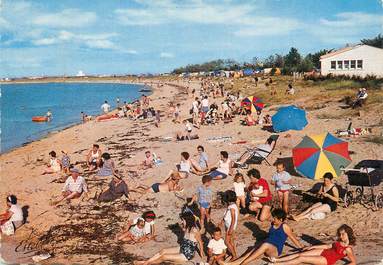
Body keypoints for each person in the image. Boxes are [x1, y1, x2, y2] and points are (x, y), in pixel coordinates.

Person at [226, 209, 303, 265]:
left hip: (275, 250)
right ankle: (232, 263)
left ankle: (244, 263)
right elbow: (271, 236)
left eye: (275, 218)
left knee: (264, 245)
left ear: (281, 219)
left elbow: (293, 238)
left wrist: (301, 248)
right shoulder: (273, 224)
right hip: (267, 246)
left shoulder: (285, 226)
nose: (273, 219)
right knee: (252, 249)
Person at [134, 212, 204, 265]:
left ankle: (145, 263)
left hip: (187, 255)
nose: (182, 221)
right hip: (182, 248)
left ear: (188, 220)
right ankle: (146, 262)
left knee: (164, 257)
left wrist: (201, 254)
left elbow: (200, 243)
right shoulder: (186, 228)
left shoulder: (195, 231)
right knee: (163, 251)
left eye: (183, 220)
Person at [270, 224, 356, 265]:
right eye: (340, 234)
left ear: (348, 234)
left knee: (301, 258)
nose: (341, 236)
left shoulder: (348, 249)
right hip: (324, 251)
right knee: (300, 253)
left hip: (327, 260)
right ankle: (277, 260)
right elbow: (327, 246)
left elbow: (353, 262)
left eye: (343, 234)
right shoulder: (338, 241)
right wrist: (312, 247)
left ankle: (279, 264)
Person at [220, 190, 239, 260]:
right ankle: (234, 253)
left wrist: (231, 228)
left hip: (230, 227)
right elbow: (226, 215)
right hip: (229, 225)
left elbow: (233, 219)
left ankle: (234, 256)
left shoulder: (232, 208)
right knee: (231, 241)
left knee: (226, 241)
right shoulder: (231, 205)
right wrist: (222, 221)